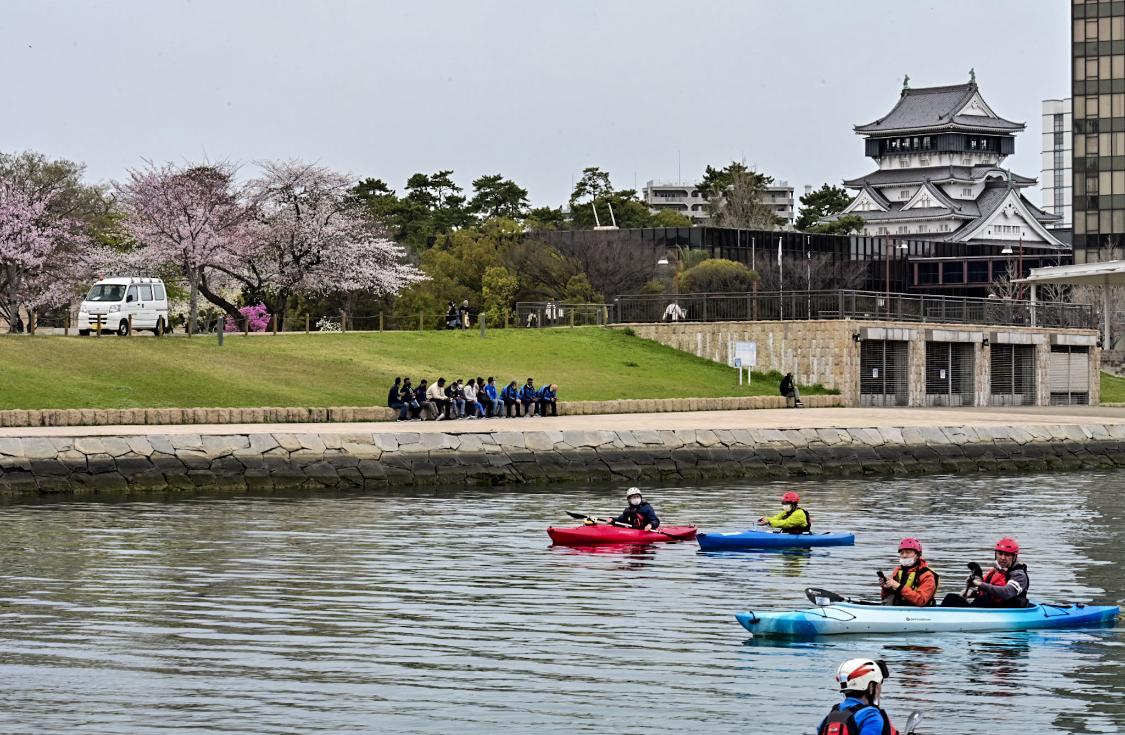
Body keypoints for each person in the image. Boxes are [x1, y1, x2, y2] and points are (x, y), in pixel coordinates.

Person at [943, 537, 1029, 608]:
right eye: (1000, 554)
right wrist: (972, 592)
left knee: (983, 600)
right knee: (951, 598)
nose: (1003, 558)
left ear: (1014, 557)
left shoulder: (1018, 575)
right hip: (986, 608)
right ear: (996, 554)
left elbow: (1007, 593)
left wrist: (980, 584)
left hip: (1005, 611)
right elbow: (986, 591)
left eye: (1007, 555)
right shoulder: (996, 571)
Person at [817, 658, 896, 735]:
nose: (880, 689)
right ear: (871, 687)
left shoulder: (831, 715)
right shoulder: (871, 716)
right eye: (878, 685)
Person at [880, 538, 938, 607]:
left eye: (908, 552)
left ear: (917, 555)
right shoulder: (897, 571)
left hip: (919, 612)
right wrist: (886, 588)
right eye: (902, 553)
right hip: (898, 609)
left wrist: (898, 586)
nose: (904, 555)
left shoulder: (927, 575)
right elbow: (886, 597)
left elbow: (921, 600)